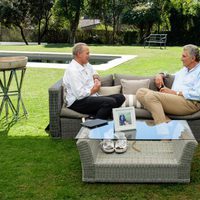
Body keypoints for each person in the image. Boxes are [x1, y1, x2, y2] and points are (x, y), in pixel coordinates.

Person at [136, 44, 200, 125]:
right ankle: (167, 123)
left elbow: (198, 94)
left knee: (150, 96)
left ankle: (163, 132)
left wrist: (174, 93)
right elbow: (171, 75)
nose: (181, 59)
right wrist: (160, 75)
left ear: (193, 58)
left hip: (190, 103)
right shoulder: (185, 69)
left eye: (184, 56)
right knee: (140, 92)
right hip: (175, 99)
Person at [63, 42, 125, 120]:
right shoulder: (73, 70)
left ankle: (95, 116)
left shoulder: (86, 64)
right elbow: (79, 95)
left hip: (91, 97)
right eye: (87, 53)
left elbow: (94, 72)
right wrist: (94, 90)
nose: (89, 56)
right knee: (110, 102)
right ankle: (95, 126)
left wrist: (95, 78)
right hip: (77, 102)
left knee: (120, 97)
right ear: (79, 54)